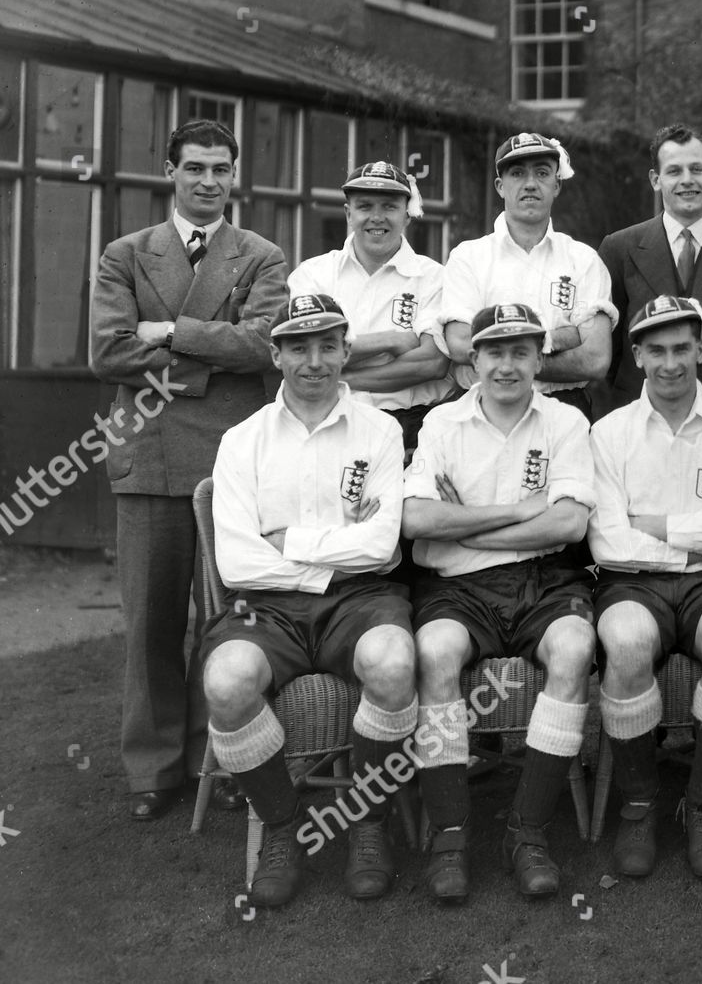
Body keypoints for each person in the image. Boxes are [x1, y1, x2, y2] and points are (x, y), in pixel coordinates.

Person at [89, 118, 286, 822]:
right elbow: (109, 352)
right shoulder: (126, 254)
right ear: (170, 171)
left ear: (235, 176)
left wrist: (170, 332)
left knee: (227, 618)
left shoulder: (262, 256)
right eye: (195, 166)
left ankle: (228, 757)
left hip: (229, 461)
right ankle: (153, 768)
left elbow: (265, 346)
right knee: (150, 620)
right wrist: (211, 358)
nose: (208, 180)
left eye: (221, 168)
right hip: (147, 459)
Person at [200, 294, 416, 907]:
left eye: (328, 346)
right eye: (299, 347)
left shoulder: (381, 430)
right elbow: (238, 561)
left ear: (348, 351)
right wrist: (330, 558)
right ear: (276, 355)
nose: (314, 361)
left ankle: (368, 823)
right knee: (227, 682)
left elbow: (379, 547)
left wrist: (290, 542)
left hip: (362, 597)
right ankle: (281, 825)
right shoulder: (242, 440)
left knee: (395, 664)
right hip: (265, 607)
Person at [403, 303, 597, 901]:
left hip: (546, 581)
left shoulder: (565, 422)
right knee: (434, 652)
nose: (507, 365)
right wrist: (517, 509)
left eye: (520, 351)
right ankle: (451, 836)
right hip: (458, 588)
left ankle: (528, 832)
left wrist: (463, 526)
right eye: (494, 351)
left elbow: (567, 524)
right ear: (472, 359)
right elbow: (415, 519)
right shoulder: (440, 424)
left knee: (574, 647)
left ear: (541, 358)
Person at [588, 296, 702, 878]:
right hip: (632, 584)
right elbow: (609, 543)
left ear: (701, 350)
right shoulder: (609, 432)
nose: (671, 363)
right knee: (628, 643)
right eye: (657, 350)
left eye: (682, 348)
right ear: (636, 355)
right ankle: (640, 804)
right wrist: (696, 535)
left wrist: (659, 526)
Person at [436, 133, 616, 419]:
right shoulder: (468, 257)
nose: (530, 183)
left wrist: (499, 357)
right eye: (517, 173)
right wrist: (558, 338)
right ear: (500, 186)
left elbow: (595, 359)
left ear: (556, 185)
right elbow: (458, 344)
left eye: (542, 173)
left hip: (563, 411)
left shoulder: (583, 260)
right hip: (482, 412)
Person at [288, 161, 450, 455]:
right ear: (349, 214)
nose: (377, 218)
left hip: (411, 430)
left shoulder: (434, 278)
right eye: (365, 206)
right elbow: (306, 353)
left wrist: (339, 377)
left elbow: (432, 363)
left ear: (407, 216)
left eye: (389, 206)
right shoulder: (313, 274)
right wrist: (394, 340)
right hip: (328, 423)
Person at [600, 125, 702, 413]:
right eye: (674, 171)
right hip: (638, 419)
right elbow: (609, 354)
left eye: (696, 169)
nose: (687, 181)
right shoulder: (619, 249)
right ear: (655, 179)